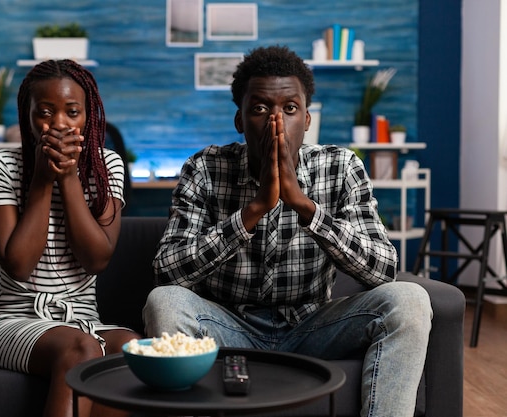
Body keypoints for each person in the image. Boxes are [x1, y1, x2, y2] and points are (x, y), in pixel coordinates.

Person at [143, 45, 432, 417]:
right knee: (164, 302)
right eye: (260, 108)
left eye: (290, 109)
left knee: (410, 299)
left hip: (313, 327)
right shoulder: (205, 168)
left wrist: (305, 206)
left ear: (308, 119)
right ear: (240, 119)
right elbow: (166, 271)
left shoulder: (341, 167)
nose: (275, 121)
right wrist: (254, 210)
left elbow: (383, 270)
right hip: (228, 326)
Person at [0, 59, 137, 417]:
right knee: (81, 350)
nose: (60, 124)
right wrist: (43, 180)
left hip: (85, 320)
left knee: (132, 349)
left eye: (72, 112)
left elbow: (97, 259)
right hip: (14, 320)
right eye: (45, 113)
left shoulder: (106, 165)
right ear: (28, 115)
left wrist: (68, 179)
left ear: (88, 117)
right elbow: (19, 264)